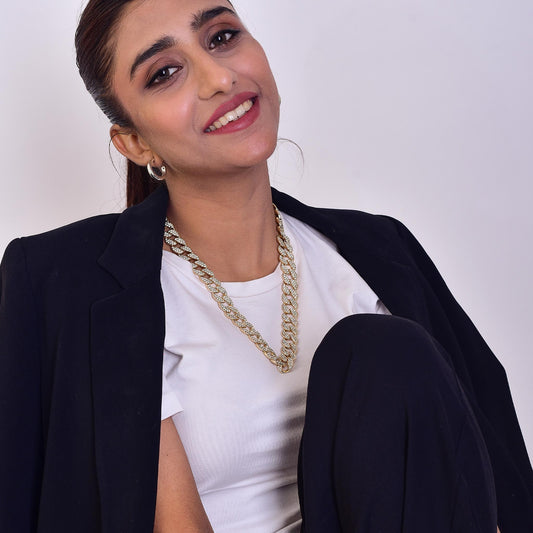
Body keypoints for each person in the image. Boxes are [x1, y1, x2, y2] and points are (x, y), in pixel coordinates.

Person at [0, 0, 531, 531]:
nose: (219, 78)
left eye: (222, 37)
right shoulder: (77, 285)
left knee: (384, 352)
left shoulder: (380, 251)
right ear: (135, 142)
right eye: (165, 73)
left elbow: (490, 479)